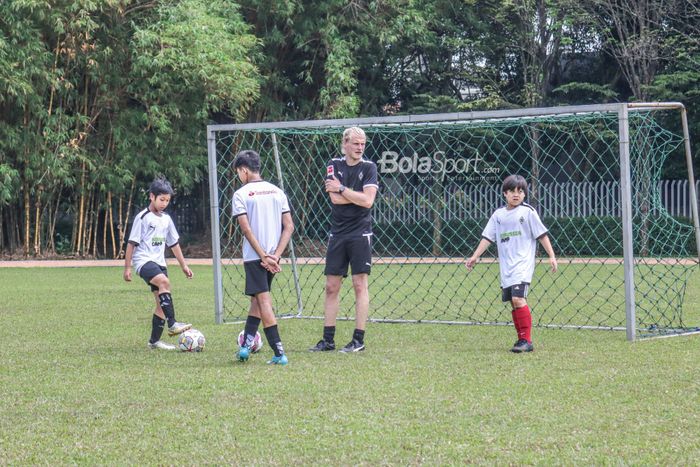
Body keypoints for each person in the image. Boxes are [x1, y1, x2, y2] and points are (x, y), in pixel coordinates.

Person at [466, 174, 557, 353]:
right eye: (512, 191)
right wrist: (475, 256)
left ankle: (526, 341)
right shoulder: (498, 215)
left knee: (518, 298)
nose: (516, 194)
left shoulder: (528, 212)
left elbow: (542, 234)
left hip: (522, 265)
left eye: (520, 191)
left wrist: (552, 256)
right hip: (506, 266)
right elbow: (488, 237)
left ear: (524, 194)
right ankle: (521, 339)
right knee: (513, 302)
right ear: (505, 193)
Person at [310, 127, 379, 353]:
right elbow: (334, 199)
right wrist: (350, 195)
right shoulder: (334, 164)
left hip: (361, 233)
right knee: (331, 286)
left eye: (363, 144)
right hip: (337, 233)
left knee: (360, 285)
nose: (360, 148)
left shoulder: (369, 168)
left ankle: (358, 340)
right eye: (356, 143)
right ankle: (328, 340)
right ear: (346, 144)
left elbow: (368, 201)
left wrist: (341, 188)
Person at [232, 150, 294, 365]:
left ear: (244, 170)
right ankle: (244, 348)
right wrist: (275, 256)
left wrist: (263, 257)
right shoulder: (277, 191)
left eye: (238, 173)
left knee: (263, 301)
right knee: (257, 301)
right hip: (271, 258)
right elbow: (289, 226)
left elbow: (246, 230)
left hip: (254, 258)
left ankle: (279, 353)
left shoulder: (241, 194)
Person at [124, 177, 193, 350]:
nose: (164, 203)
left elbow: (174, 244)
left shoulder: (166, 219)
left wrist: (184, 266)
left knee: (160, 305)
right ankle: (173, 324)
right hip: (143, 261)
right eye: (161, 199)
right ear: (151, 197)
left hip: (160, 263)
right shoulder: (143, 218)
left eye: (167, 200)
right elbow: (131, 243)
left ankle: (154, 342)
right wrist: (127, 268)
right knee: (164, 282)